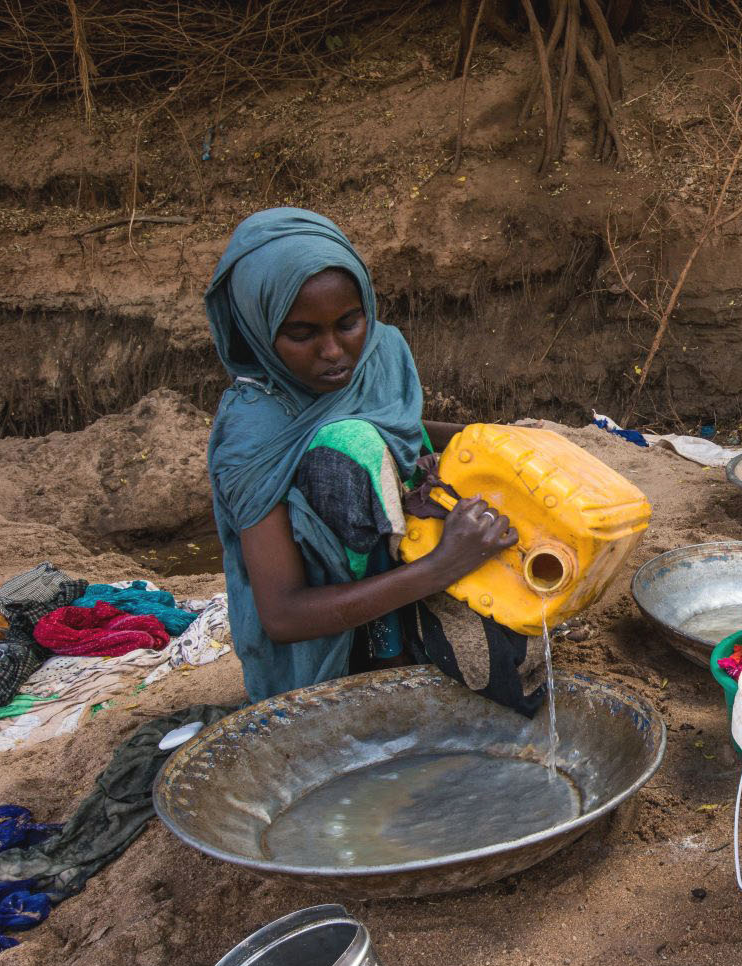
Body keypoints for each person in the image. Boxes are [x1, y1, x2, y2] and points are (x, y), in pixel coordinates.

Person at [206, 207, 515, 703]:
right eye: (302, 335)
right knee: (349, 447)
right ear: (258, 328)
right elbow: (283, 615)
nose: (334, 351)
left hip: (415, 582)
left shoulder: (379, 351)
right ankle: (380, 656)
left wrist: (494, 438)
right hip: (328, 646)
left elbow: (402, 425)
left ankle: (414, 639)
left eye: (350, 322)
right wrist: (443, 565)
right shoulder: (254, 431)